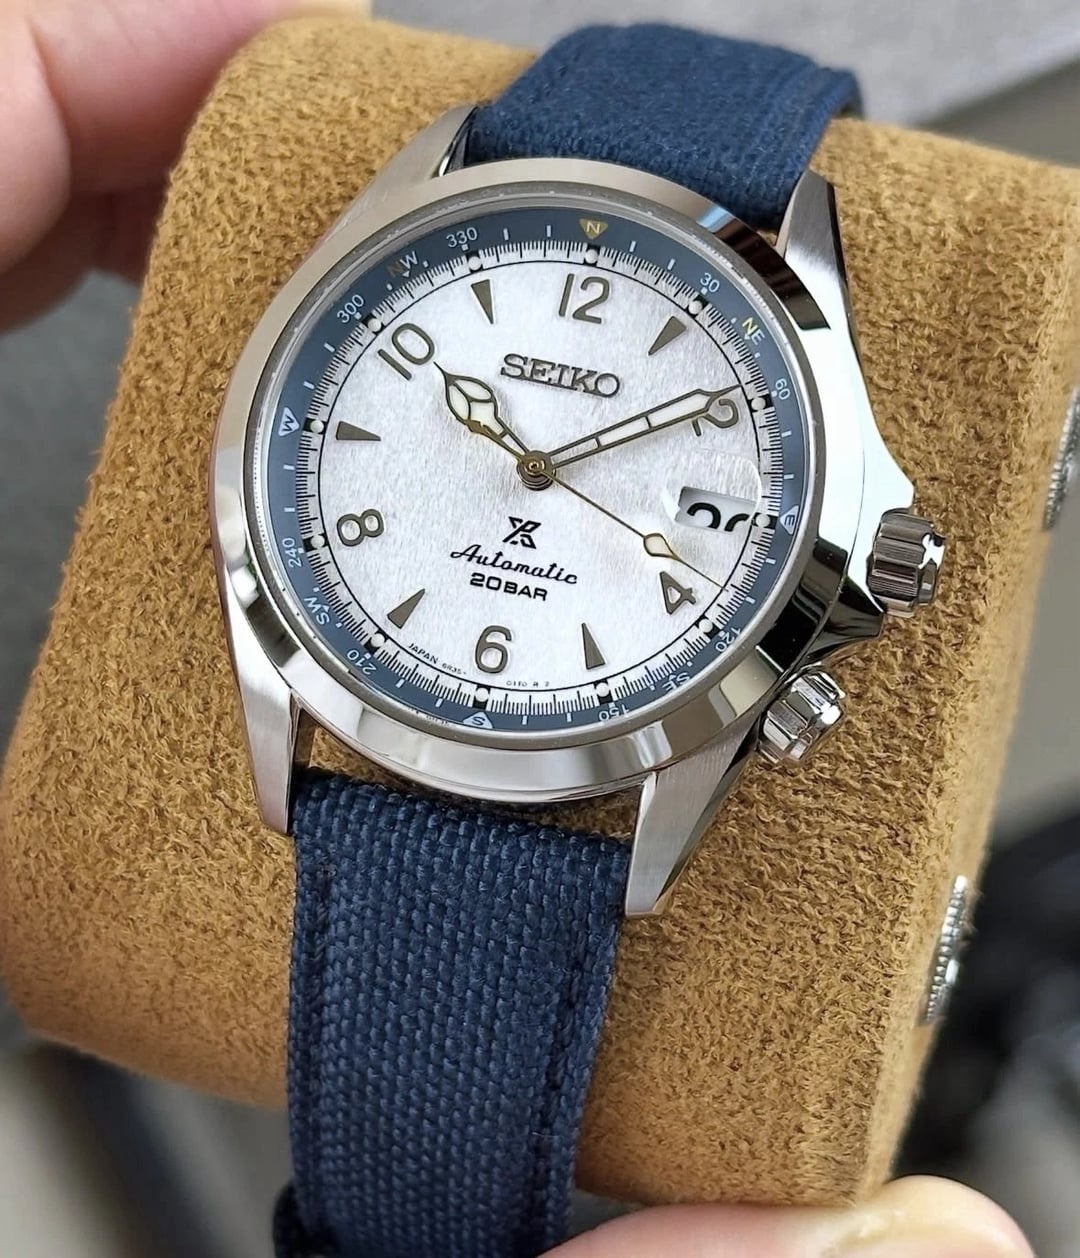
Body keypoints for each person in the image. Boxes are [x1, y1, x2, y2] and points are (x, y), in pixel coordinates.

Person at [0, 2, 1036, 1255]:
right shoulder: (445, 219)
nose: (533, 471)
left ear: (868, 547)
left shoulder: (794, 318)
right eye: (522, 452)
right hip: (345, 686)